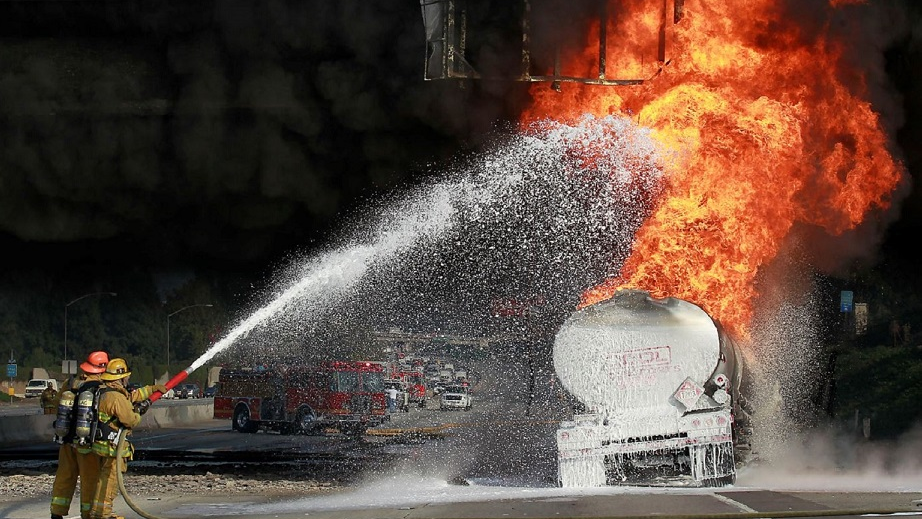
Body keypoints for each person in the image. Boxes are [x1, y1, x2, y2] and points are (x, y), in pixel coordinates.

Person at [88, 358, 166, 519]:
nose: (128, 379)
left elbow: (132, 397)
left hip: (102, 445)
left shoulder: (105, 392)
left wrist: (151, 390)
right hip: (113, 447)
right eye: (126, 377)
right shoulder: (116, 398)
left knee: (102, 480)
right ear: (120, 377)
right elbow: (130, 420)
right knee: (110, 481)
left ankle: (97, 512)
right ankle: (104, 514)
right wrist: (138, 414)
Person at [50, 350, 109, 519]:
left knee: (64, 476)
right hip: (87, 443)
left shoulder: (70, 383)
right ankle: (87, 513)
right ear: (103, 368)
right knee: (89, 479)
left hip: (66, 439)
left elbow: (56, 405)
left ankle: (56, 512)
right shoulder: (101, 388)